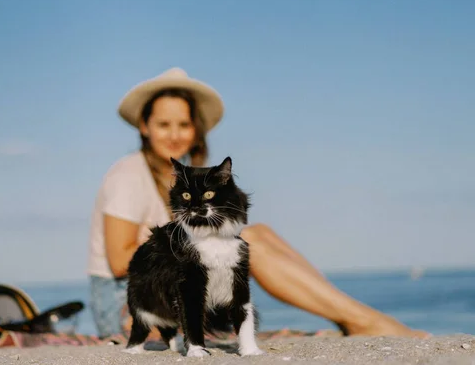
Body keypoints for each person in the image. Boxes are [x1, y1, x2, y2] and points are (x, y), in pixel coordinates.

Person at [86, 67, 429, 340]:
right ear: (144, 126)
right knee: (247, 245)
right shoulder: (129, 173)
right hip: (130, 301)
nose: (174, 134)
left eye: (183, 124)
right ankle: (363, 320)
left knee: (257, 234)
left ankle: (350, 314)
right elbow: (120, 261)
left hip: (177, 281)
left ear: (196, 129)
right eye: (163, 124)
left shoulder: (179, 175)